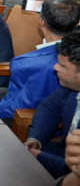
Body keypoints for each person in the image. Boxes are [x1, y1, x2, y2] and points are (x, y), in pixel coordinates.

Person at [0, 0, 80, 125]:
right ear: (76, 24)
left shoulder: (35, 64)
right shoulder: (69, 54)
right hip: (22, 99)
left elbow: (15, 110)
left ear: (41, 22)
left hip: (22, 121)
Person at [25, 29, 80, 178]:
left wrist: (39, 157)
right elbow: (49, 107)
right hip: (59, 153)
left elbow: (73, 171)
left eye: (63, 66)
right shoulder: (69, 87)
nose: (55, 67)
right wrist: (35, 139)